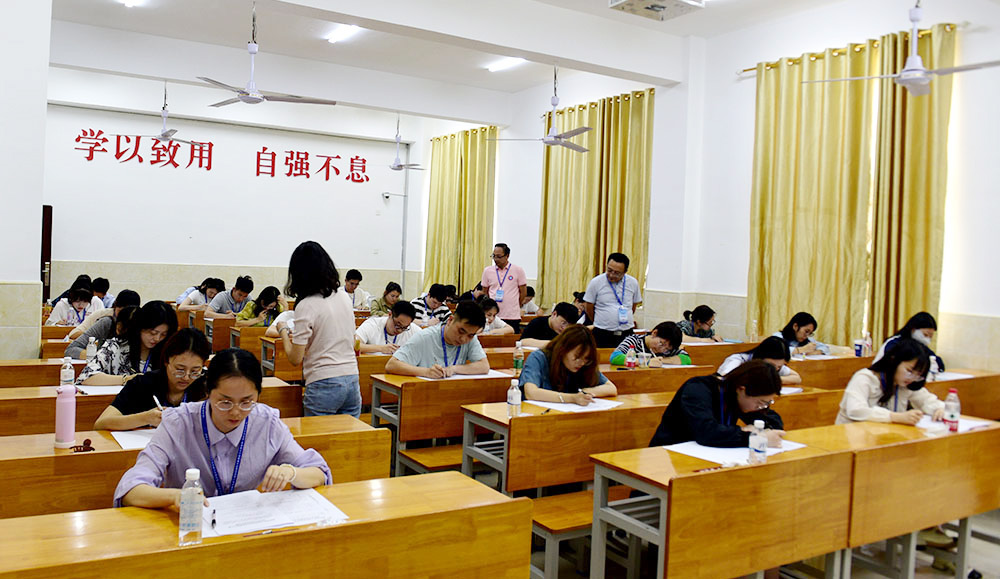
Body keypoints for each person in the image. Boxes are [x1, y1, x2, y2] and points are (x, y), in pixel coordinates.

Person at [114, 348, 331, 507]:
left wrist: (291, 473)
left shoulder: (267, 422)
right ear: (208, 392)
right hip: (191, 525)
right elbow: (131, 489)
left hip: (244, 527)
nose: (236, 412)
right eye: (225, 402)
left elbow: (319, 472)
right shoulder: (178, 423)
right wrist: (175, 497)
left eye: (247, 402)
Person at [275, 241, 360, 418]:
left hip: (323, 381)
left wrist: (283, 331)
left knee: (317, 436)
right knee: (348, 435)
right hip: (352, 378)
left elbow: (295, 359)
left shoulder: (306, 305)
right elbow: (352, 341)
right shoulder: (343, 296)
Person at [93, 329, 211, 431]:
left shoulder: (207, 386)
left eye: (195, 371)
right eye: (180, 369)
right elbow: (100, 424)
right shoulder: (142, 384)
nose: (186, 377)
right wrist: (146, 418)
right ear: (166, 361)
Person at [649, 360, 786, 447]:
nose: (761, 407)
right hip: (669, 455)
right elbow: (707, 433)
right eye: (760, 402)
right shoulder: (697, 389)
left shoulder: (740, 398)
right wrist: (755, 437)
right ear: (741, 389)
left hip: (708, 456)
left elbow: (772, 420)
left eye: (767, 403)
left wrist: (766, 429)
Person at [836, 338, 944, 425]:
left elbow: (927, 400)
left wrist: (940, 409)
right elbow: (855, 410)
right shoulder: (865, 378)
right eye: (909, 371)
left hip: (884, 436)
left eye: (918, 375)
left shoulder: (906, 383)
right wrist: (895, 417)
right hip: (851, 437)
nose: (912, 378)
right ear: (894, 360)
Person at [77, 301, 177, 385]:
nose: (157, 338)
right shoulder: (116, 346)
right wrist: (127, 379)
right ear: (140, 327)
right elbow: (85, 377)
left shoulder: (167, 352)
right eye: (153, 333)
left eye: (163, 334)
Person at [384, 301, 490, 378]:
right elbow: (391, 365)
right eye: (461, 331)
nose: (463, 339)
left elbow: (484, 366)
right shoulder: (425, 337)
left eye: (470, 335)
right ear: (450, 320)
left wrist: (454, 369)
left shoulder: (471, 339)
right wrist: (426, 372)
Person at [519, 325, 618, 404]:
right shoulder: (538, 358)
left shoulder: (586, 365)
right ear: (563, 349)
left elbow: (611, 388)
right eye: (577, 357)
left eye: (586, 359)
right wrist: (572, 398)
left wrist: (585, 393)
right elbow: (531, 393)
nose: (581, 363)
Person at [583, 253, 643, 348]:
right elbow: (589, 306)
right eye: (609, 270)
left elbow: (633, 306)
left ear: (625, 271)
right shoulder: (596, 282)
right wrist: (600, 320)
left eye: (617, 273)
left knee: (627, 356)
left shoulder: (633, 283)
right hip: (602, 333)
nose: (611, 275)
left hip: (626, 333)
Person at [65, 290, 141, 358]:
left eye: (127, 314)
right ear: (115, 307)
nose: (122, 317)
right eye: (120, 312)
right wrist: (101, 356)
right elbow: (71, 349)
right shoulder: (106, 321)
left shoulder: (140, 324)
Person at [873, 312, 945, 376]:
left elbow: (938, 362)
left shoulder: (920, 345)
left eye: (930, 337)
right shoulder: (894, 342)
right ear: (913, 329)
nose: (927, 340)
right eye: (925, 335)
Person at [480, 243, 528, 332]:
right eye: (494, 256)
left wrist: (514, 303)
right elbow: (485, 292)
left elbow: (523, 292)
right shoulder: (487, 271)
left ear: (507, 256)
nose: (495, 259)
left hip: (512, 315)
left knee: (511, 337)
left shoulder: (518, 270)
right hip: (493, 316)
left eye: (499, 256)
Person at [716, 336, 801, 385]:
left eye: (779, 367)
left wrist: (773, 379)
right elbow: (723, 378)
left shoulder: (775, 365)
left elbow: (797, 378)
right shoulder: (737, 360)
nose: (775, 369)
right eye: (772, 365)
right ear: (761, 357)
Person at [610, 321, 692, 367]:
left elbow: (686, 359)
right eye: (661, 343)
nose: (661, 350)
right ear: (654, 333)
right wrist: (646, 362)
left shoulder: (668, 348)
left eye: (667, 349)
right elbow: (615, 357)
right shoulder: (634, 340)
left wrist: (661, 361)